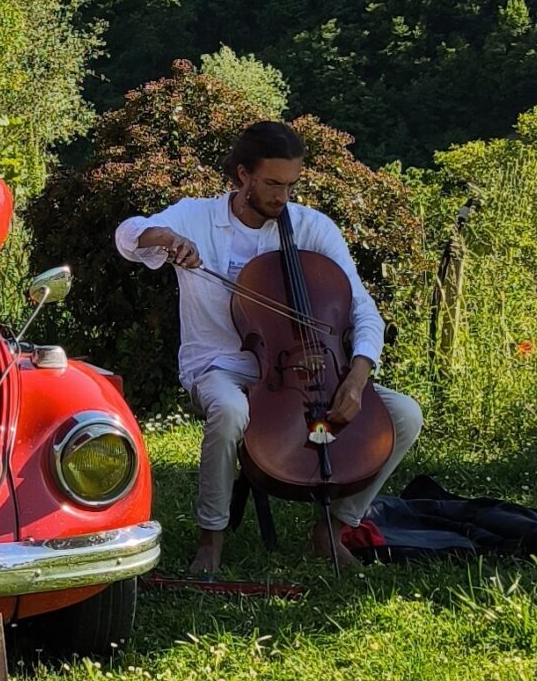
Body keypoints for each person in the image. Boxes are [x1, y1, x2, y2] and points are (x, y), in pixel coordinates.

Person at [116, 119, 423, 578]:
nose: (283, 197)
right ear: (243, 175)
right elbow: (129, 235)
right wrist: (167, 239)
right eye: (273, 184)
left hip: (299, 368)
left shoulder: (311, 228)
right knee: (230, 410)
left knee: (404, 415)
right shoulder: (197, 216)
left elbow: (362, 309)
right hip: (217, 364)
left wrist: (357, 378)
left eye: (291, 185)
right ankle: (211, 537)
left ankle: (334, 529)